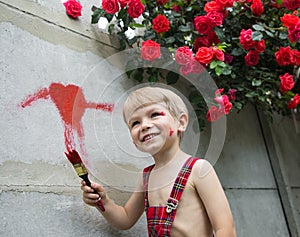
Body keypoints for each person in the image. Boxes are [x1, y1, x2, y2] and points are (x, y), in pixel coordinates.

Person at [81, 86, 236, 237]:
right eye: (135, 123)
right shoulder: (146, 178)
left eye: (154, 114)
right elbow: (126, 219)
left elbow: (225, 228)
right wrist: (103, 202)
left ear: (180, 123)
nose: (145, 126)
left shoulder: (199, 170)